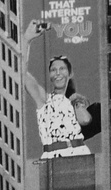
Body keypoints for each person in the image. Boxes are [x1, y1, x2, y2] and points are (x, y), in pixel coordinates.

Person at [20, 20, 100, 160]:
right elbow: (21, 74)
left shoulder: (75, 101)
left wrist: (74, 100)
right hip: (53, 156)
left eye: (62, 69)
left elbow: (86, 120)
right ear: (50, 75)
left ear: (69, 74)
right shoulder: (44, 99)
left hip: (80, 153)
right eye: (53, 70)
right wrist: (26, 40)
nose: (58, 73)